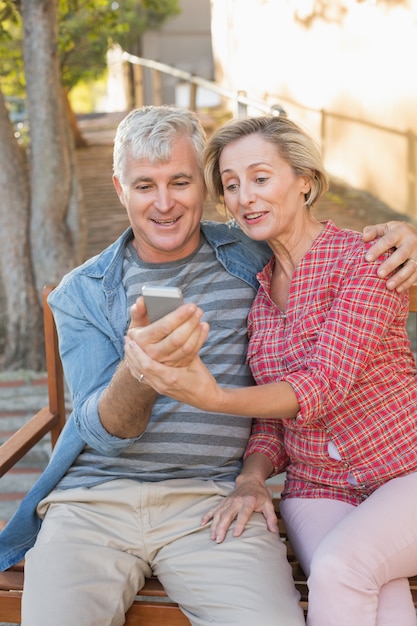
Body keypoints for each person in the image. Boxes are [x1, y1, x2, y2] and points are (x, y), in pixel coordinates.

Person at [0, 106, 416, 626]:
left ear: (201, 185)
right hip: (94, 502)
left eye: (180, 181)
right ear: (119, 187)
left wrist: (405, 236)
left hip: (213, 500)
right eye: (144, 185)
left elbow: (312, 239)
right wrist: (142, 369)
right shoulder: (81, 293)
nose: (165, 203)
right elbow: (104, 432)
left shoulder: (251, 254)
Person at [124, 114, 417, 626]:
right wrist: (252, 478)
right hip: (317, 487)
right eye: (232, 186)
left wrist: (213, 397)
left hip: (405, 473)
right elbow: (272, 423)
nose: (245, 198)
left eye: (261, 178)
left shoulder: (366, 260)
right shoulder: (257, 295)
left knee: (339, 569)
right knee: (376, 595)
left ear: (305, 181)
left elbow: (319, 385)